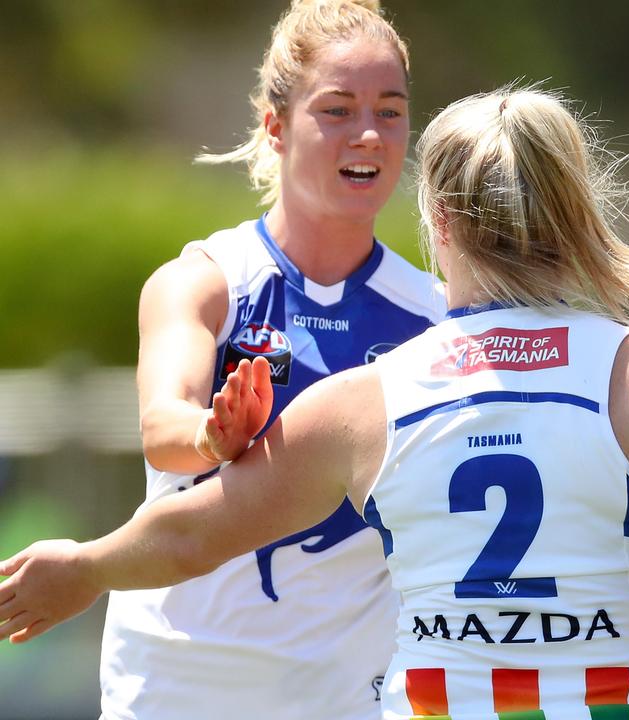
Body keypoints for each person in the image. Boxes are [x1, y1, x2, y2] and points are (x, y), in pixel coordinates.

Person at [0, 86, 629, 720]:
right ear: (574, 212)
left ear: (441, 220)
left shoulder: (370, 401)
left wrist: (85, 565)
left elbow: (194, 534)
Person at [84, 1, 446, 717]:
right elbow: (162, 424)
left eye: (391, 110)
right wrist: (209, 437)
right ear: (276, 127)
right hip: (175, 682)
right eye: (337, 109)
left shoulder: (435, 316)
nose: (369, 133)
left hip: (344, 693)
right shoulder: (205, 281)